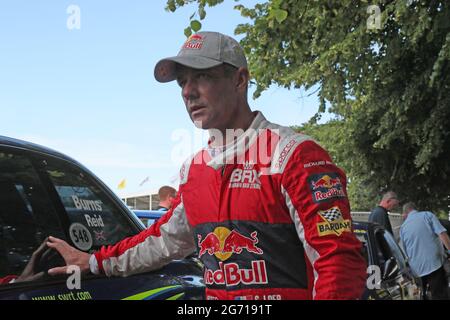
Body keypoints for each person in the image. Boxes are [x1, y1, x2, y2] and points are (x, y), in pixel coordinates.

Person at [46, 31, 367, 300]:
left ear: (240, 79)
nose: (188, 91)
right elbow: (163, 240)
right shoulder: (194, 170)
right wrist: (95, 262)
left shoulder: (293, 154)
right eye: (183, 81)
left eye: (203, 76)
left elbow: (338, 261)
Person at [400, 202, 450, 300]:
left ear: (405, 213)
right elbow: (442, 234)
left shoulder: (403, 228)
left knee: (422, 295)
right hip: (433, 264)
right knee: (439, 294)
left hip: (416, 269)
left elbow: (405, 252)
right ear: (415, 209)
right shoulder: (427, 215)